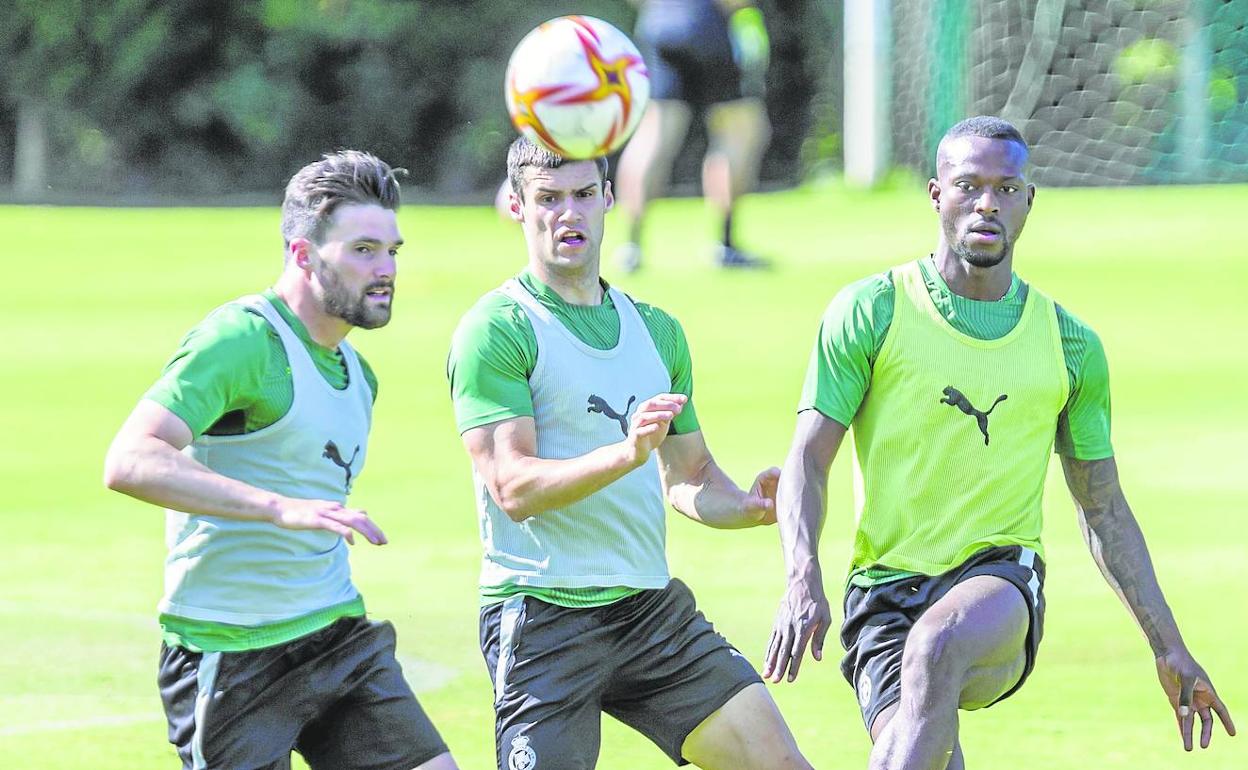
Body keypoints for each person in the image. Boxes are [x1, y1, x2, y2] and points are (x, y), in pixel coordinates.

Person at [762, 116, 1235, 769]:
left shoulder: (1069, 344)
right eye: (969, 185)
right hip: (882, 595)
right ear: (935, 194)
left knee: (937, 645)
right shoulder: (870, 311)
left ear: (1028, 201)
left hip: (1001, 585)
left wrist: (1168, 645)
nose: (987, 203)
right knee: (916, 752)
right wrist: (801, 574)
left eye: (1006, 189)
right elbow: (808, 461)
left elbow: (1103, 508)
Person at [448, 136, 811, 769]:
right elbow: (513, 487)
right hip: (543, 618)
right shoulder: (498, 328)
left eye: (585, 195)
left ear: (609, 197)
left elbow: (689, 475)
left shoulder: (657, 332)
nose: (570, 214)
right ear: (515, 205)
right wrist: (625, 453)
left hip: (648, 612)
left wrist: (747, 506)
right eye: (549, 198)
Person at [103, 150, 457, 770]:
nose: (386, 271)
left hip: (337, 638)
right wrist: (277, 508)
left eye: (392, 252)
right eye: (363, 251)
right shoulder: (242, 340)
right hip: (231, 657)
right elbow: (131, 459)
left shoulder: (358, 375)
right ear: (302, 254)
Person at [613, 0, 772, 271]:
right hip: (708, 24)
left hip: (657, 23)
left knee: (654, 133)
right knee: (737, 131)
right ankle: (725, 245)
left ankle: (631, 246)